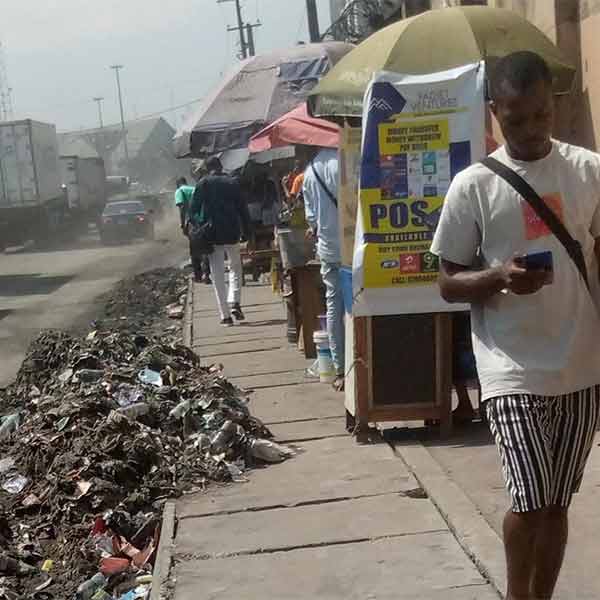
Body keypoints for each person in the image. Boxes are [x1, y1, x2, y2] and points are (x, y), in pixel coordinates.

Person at [430, 51, 600, 600]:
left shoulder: (588, 171)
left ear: (555, 107)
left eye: (540, 115)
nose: (529, 129)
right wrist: (500, 276)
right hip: (510, 369)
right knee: (528, 500)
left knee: (556, 503)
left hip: (580, 364)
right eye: (515, 117)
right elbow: (448, 282)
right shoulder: (473, 186)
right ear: (494, 113)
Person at [303, 146, 345, 392]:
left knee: (334, 306)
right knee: (361, 304)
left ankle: (339, 370)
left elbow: (312, 219)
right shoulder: (348, 160)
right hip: (356, 245)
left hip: (329, 248)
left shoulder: (310, 172)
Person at [190, 157, 250, 327]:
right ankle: (235, 302)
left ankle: (225, 315)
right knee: (235, 268)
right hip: (232, 231)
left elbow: (193, 210)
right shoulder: (232, 182)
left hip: (212, 233)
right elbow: (243, 210)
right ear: (221, 167)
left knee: (216, 273)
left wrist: (200, 226)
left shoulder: (204, 183)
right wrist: (247, 231)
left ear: (208, 169)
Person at [175, 177, 211, 284]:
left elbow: (182, 208)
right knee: (205, 248)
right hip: (204, 221)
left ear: (177, 184)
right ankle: (207, 274)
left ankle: (198, 276)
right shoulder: (195, 188)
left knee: (194, 250)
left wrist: (182, 224)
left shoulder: (179, 191)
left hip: (193, 223)